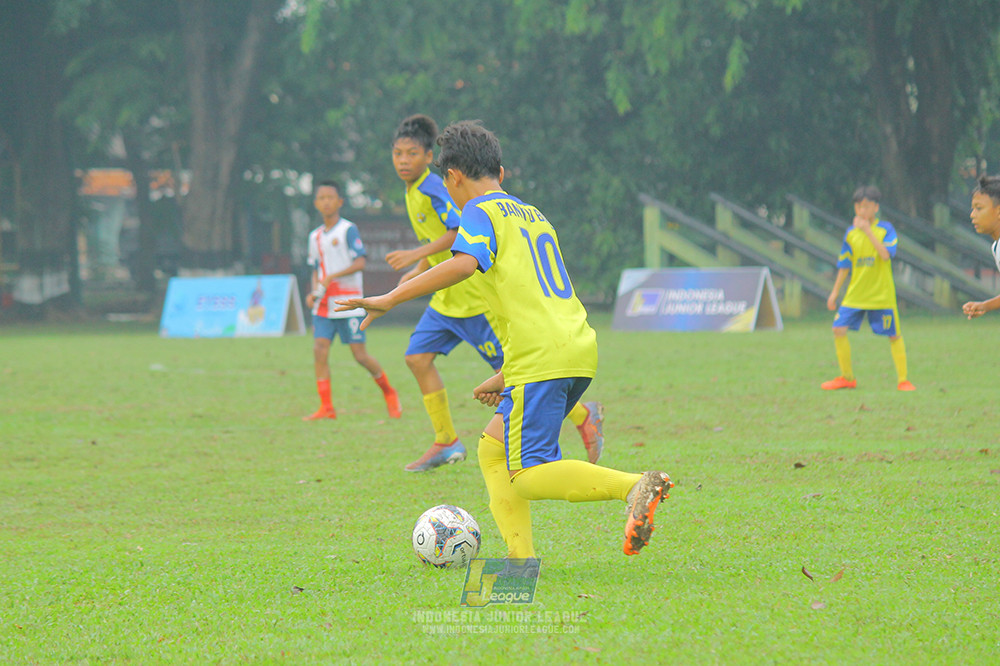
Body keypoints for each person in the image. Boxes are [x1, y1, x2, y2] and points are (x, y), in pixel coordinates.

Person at [339, 120, 671, 557]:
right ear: (502, 171)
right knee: (493, 450)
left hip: (544, 357)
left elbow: (462, 264)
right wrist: (505, 374)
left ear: (453, 178)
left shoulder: (479, 212)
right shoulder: (533, 214)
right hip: (572, 346)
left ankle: (633, 486)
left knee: (529, 474)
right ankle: (520, 560)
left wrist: (392, 297)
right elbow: (534, 299)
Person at [387, 114, 604, 472]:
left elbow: (458, 236)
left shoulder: (439, 190)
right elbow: (449, 245)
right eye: (397, 153)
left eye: (411, 153)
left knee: (518, 378)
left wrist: (415, 257)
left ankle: (583, 414)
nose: (403, 160)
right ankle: (445, 440)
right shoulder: (414, 192)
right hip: (446, 302)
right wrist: (420, 267)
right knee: (417, 358)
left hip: (477, 302)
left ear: (433, 161)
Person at [303, 179, 401, 420]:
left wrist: (332, 277)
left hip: (349, 304)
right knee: (319, 350)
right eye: (321, 198)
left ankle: (389, 392)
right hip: (324, 304)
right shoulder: (314, 236)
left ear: (339, 202)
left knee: (360, 356)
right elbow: (316, 268)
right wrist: (313, 290)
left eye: (330, 197)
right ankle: (326, 407)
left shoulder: (348, 230)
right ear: (316, 203)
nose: (326, 202)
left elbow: (360, 262)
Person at [822, 185, 915, 392]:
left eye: (865, 206)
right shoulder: (850, 233)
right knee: (838, 329)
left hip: (881, 295)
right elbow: (845, 264)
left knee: (894, 335)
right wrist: (835, 292)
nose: (861, 210)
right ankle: (847, 378)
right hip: (856, 294)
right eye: (858, 206)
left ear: (875, 207)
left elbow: (885, 255)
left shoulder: (886, 229)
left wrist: (867, 231)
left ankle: (903, 380)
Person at [961, 174, 1000, 319]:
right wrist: (984, 306)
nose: (972, 215)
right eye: (973, 208)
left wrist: (985, 306)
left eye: (979, 208)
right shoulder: (996, 247)